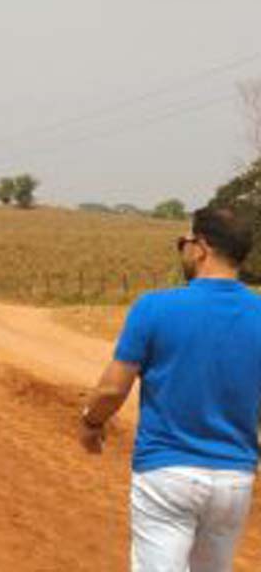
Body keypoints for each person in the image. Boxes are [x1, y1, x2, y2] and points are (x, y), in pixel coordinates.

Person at [80, 206, 260, 571]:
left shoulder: (154, 308)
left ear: (201, 248)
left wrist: (90, 423)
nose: (183, 250)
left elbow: (112, 390)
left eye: (184, 242)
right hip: (234, 479)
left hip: (166, 472)